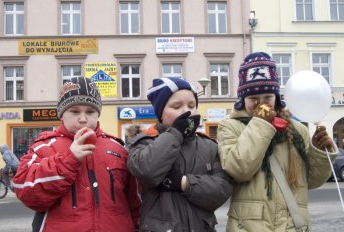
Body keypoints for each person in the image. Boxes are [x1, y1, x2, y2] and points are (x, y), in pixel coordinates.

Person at [217, 52, 338, 232]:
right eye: (253, 99)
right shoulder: (229, 127)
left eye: (267, 98)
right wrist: (261, 123)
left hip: (293, 225)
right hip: (250, 227)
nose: (261, 104)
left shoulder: (298, 130)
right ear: (243, 99)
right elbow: (239, 169)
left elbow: (310, 181)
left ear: (276, 96)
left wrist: (319, 153)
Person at [13, 77, 141, 232]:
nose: (83, 119)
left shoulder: (118, 149)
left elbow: (134, 203)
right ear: (61, 114)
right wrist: (69, 160)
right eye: (74, 111)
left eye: (90, 112)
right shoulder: (43, 147)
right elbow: (26, 191)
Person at [127, 77, 234, 232]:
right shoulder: (143, 144)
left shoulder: (209, 146)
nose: (186, 111)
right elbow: (147, 172)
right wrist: (175, 133)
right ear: (161, 113)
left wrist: (183, 183)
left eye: (191, 105)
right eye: (176, 106)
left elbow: (221, 190)